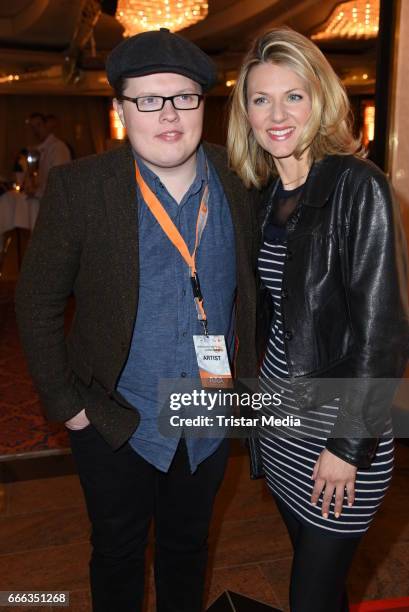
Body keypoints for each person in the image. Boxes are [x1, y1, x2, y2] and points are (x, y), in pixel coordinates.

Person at [16, 29, 258, 612]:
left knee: (188, 546)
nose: (168, 114)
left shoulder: (242, 181)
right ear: (121, 110)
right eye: (148, 99)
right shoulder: (82, 188)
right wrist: (69, 408)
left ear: (204, 102)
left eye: (182, 97)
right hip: (113, 417)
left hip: (207, 412)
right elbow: (36, 301)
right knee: (119, 551)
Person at [227, 27, 409, 612]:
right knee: (323, 591)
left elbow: (382, 336)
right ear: (245, 112)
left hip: (338, 435)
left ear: (321, 100)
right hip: (279, 426)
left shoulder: (360, 187)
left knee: (307, 595)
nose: (277, 114)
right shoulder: (262, 195)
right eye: (261, 99)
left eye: (294, 96)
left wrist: (348, 445)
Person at [24, 112, 71, 198]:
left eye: (39, 125)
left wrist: (36, 193)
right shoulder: (40, 151)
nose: (36, 130)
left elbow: (57, 180)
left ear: (46, 125)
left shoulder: (57, 147)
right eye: (33, 127)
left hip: (55, 200)